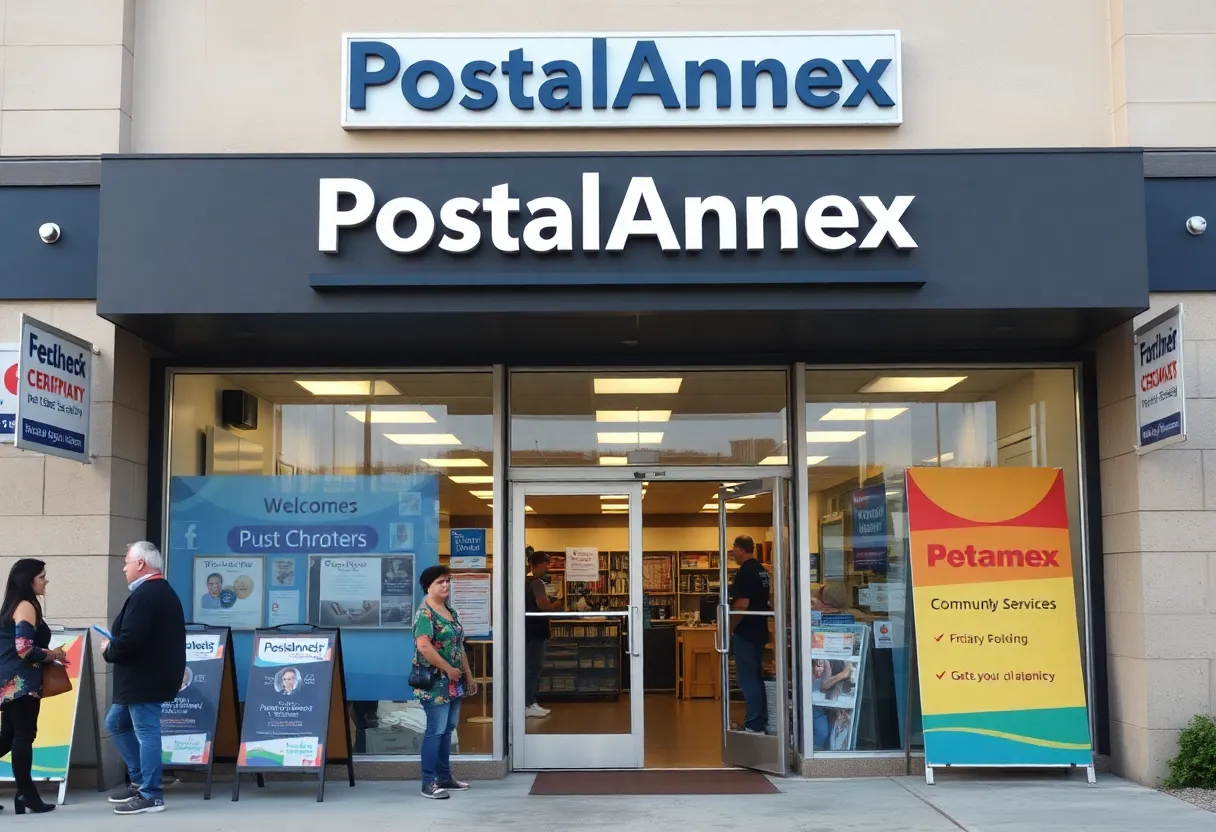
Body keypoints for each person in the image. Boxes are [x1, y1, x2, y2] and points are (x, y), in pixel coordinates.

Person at [101, 542, 186, 815]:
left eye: (127, 561)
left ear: (140, 563)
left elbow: (131, 639)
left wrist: (110, 649)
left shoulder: (149, 593)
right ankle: (139, 780)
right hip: (142, 678)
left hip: (145, 679)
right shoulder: (154, 591)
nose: (123, 567)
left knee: (147, 732)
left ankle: (151, 794)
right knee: (115, 722)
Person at [0, 559, 67, 813]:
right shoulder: (25, 606)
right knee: (23, 736)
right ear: (28, 580)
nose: (45, 580)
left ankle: (24, 796)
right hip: (20, 682)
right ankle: (27, 795)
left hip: (11, 680)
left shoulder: (15, 605)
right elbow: (25, 649)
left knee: (8, 738)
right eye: (42, 576)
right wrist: (53, 655)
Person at [412, 565, 477, 799]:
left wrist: (467, 674)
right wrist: (449, 669)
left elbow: (459, 645)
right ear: (428, 586)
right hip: (436, 682)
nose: (446, 585)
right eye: (440, 582)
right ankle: (428, 782)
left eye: (448, 581)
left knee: (448, 730)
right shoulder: (425, 613)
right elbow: (423, 646)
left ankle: (444, 776)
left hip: (454, 681)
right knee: (435, 730)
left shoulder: (450, 611)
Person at [727, 534, 771, 734]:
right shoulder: (761, 570)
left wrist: (729, 627)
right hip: (760, 630)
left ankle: (753, 724)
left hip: (746, 632)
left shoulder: (745, 572)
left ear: (739, 549)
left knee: (748, 678)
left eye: (734, 549)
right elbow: (768, 598)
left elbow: (742, 605)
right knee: (756, 676)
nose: (733, 553)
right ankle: (760, 720)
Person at [524, 547, 562, 718]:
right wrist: (558, 604)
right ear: (538, 565)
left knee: (529, 668)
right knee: (534, 668)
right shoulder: (537, 582)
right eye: (546, 564)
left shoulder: (524, 582)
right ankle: (528, 703)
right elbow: (543, 606)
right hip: (537, 630)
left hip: (527, 630)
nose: (548, 567)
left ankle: (529, 702)